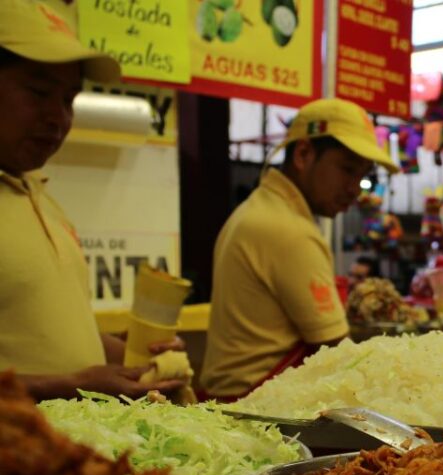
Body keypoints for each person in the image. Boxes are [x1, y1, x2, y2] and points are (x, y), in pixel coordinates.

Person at [0, 0, 183, 399]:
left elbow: (62, 336)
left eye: (68, 100)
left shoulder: (38, 194)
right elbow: (67, 374)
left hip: (60, 452)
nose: (58, 117)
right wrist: (69, 385)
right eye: (38, 92)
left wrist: (139, 360)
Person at [201, 99, 399, 400]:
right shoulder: (288, 229)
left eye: (361, 175)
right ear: (304, 154)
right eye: (347, 170)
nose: (355, 189)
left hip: (239, 401)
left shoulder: (257, 210)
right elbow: (338, 351)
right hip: (257, 410)